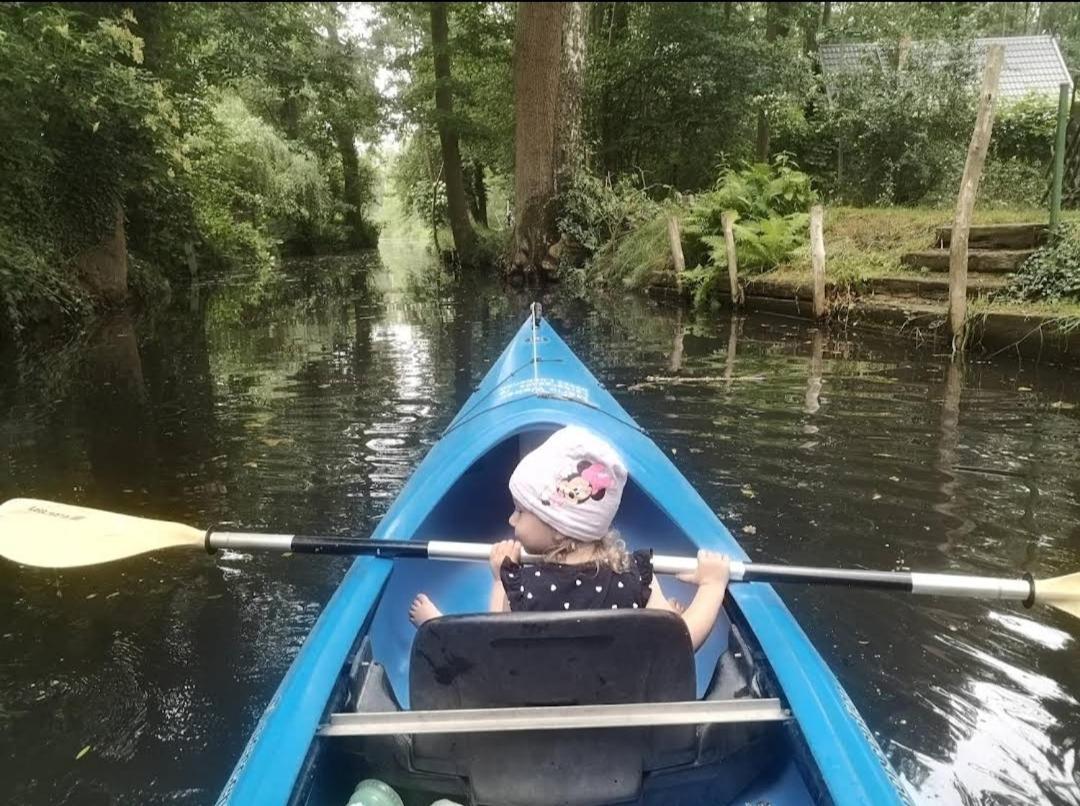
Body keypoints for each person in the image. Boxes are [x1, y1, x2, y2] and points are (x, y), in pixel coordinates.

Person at [409, 425, 730, 650]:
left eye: (520, 511)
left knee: (482, 646)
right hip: (618, 715)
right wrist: (712, 585)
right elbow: (682, 642)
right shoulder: (636, 577)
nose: (510, 519)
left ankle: (438, 626)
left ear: (559, 527)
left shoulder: (520, 586)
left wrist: (498, 579)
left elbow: (495, 643)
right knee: (667, 621)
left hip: (540, 710)